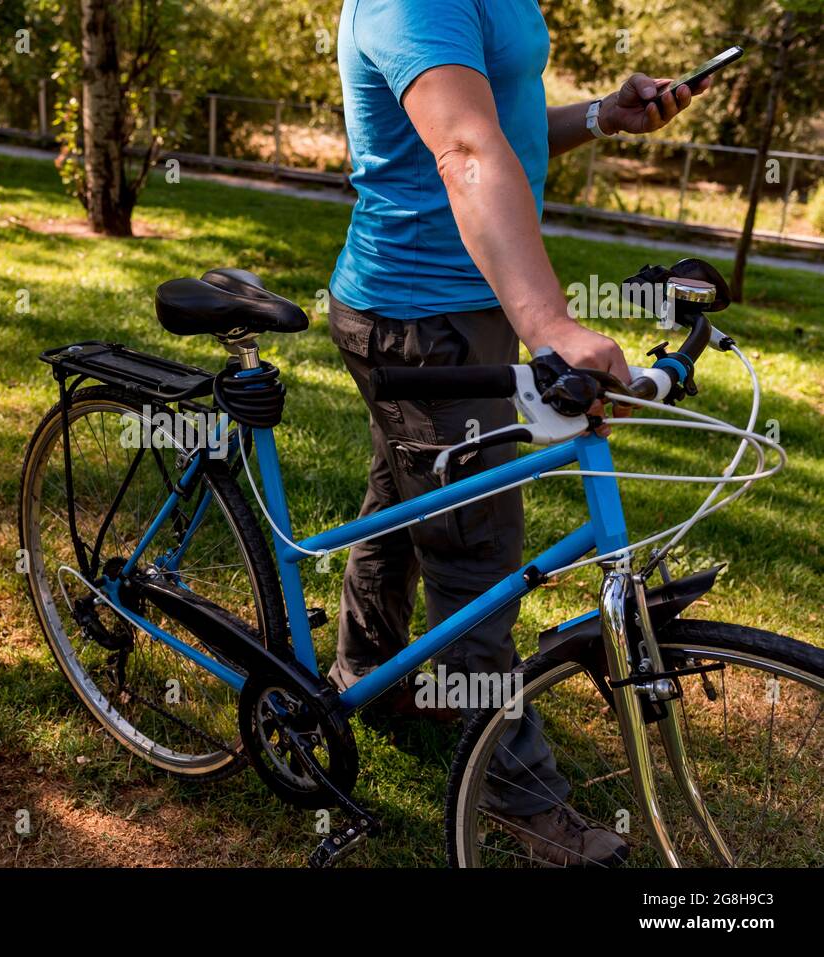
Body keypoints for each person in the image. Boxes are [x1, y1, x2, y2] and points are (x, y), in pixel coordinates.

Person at [328, 0, 711, 866]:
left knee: (410, 498)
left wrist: (598, 116)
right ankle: (515, 792)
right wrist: (553, 327)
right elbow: (463, 149)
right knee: (477, 557)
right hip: (418, 316)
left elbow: (499, 116)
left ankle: (367, 674)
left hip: (466, 305)